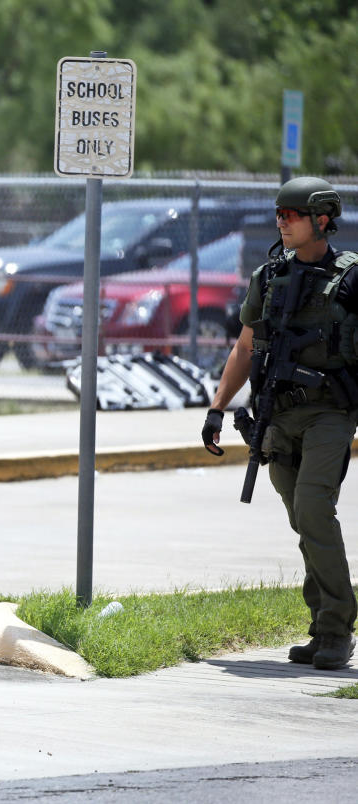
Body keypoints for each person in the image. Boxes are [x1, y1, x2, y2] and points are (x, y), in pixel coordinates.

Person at [203, 176, 358, 671]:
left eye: (290, 215)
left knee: (314, 509)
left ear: (322, 220)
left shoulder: (353, 278)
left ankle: (337, 629)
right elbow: (246, 346)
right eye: (279, 214)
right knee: (302, 520)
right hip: (279, 413)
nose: (281, 222)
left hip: (331, 410)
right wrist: (218, 407)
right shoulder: (268, 277)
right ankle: (322, 626)